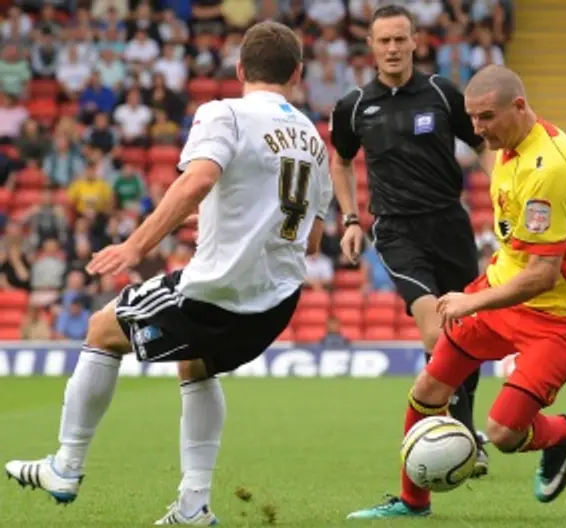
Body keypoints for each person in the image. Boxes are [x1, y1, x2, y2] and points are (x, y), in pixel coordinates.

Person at [5, 21, 333, 526]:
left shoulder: (224, 113)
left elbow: (197, 181)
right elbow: (309, 237)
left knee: (100, 330)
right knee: (196, 366)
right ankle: (193, 505)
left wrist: (135, 245)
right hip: (277, 303)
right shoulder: (312, 138)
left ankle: (65, 466)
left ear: (241, 68)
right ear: (298, 73)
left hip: (219, 291)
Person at [346, 64, 566, 519]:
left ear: (519, 106)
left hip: (565, 316)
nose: (476, 129)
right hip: (504, 292)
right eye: (471, 118)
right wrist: (481, 292)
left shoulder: (548, 168)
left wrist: (471, 300)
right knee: (429, 386)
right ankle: (413, 504)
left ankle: (560, 433)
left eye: (486, 117)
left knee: (504, 433)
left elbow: (543, 275)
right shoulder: (508, 148)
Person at [330, 3, 492, 485]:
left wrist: (504, 196)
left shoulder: (442, 93)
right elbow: (339, 160)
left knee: (465, 332)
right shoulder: (354, 105)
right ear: (372, 47)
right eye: (385, 41)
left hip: (450, 224)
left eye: (401, 39)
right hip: (397, 230)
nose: (394, 48)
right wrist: (352, 219)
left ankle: (459, 429)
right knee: (433, 326)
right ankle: (456, 433)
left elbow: (483, 144)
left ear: (415, 42)